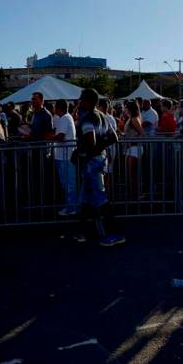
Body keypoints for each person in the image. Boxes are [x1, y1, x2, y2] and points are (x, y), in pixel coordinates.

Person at [74, 88, 124, 246]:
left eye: (81, 99)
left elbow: (91, 142)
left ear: (87, 101)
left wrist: (80, 152)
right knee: (85, 198)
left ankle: (115, 234)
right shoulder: (102, 116)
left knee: (100, 199)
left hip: (92, 163)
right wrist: (98, 148)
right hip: (99, 160)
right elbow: (114, 137)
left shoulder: (88, 118)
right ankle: (84, 232)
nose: (79, 102)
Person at [52, 99, 78, 216]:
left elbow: (60, 136)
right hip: (65, 156)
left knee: (68, 184)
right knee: (67, 183)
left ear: (58, 108)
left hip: (65, 157)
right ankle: (71, 206)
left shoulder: (64, 118)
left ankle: (71, 207)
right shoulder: (67, 117)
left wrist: (48, 137)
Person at [122, 100, 145, 202]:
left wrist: (132, 139)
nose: (124, 109)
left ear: (130, 108)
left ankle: (135, 197)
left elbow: (142, 134)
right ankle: (133, 196)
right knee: (130, 174)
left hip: (135, 148)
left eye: (126, 107)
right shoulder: (130, 118)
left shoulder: (135, 119)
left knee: (133, 175)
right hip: (130, 148)